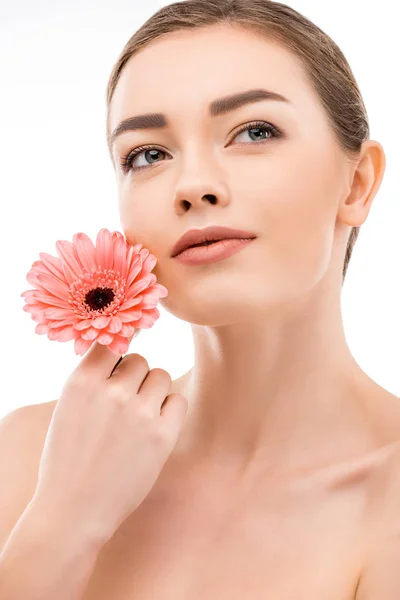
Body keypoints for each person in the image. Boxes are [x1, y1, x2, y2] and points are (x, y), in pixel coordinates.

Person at [1, 1, 399, 599]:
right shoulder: (28, 458)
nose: (192, 186)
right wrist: (60, 527)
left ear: (358, 183)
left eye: (254, 132)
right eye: (148, 154)